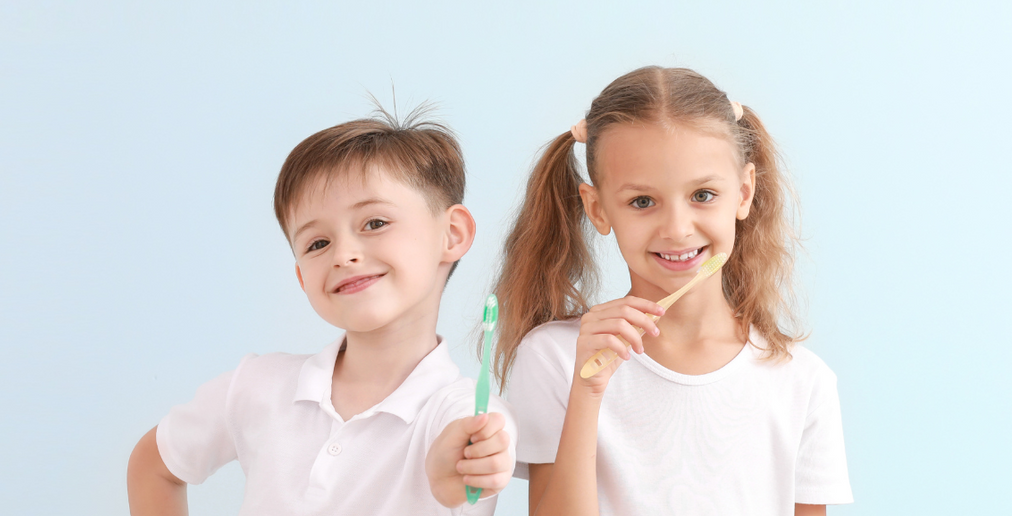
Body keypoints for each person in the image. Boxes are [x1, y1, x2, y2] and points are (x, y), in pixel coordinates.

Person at [493, 66, 852, 515]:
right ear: (598, 209)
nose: (678, 229)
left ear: (743, 193)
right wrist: (587, 394)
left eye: (702, 195)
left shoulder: (801, 381)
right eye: (642, 202)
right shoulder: (557, 359)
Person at [127, 109, 517, 515]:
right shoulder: (257, 386)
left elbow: (465, 467)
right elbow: (152, 464)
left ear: (451, 234)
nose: (344, 255)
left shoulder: (471, 411)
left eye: (375, 222)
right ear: (301, 275)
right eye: (317, 244)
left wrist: (454, 471)